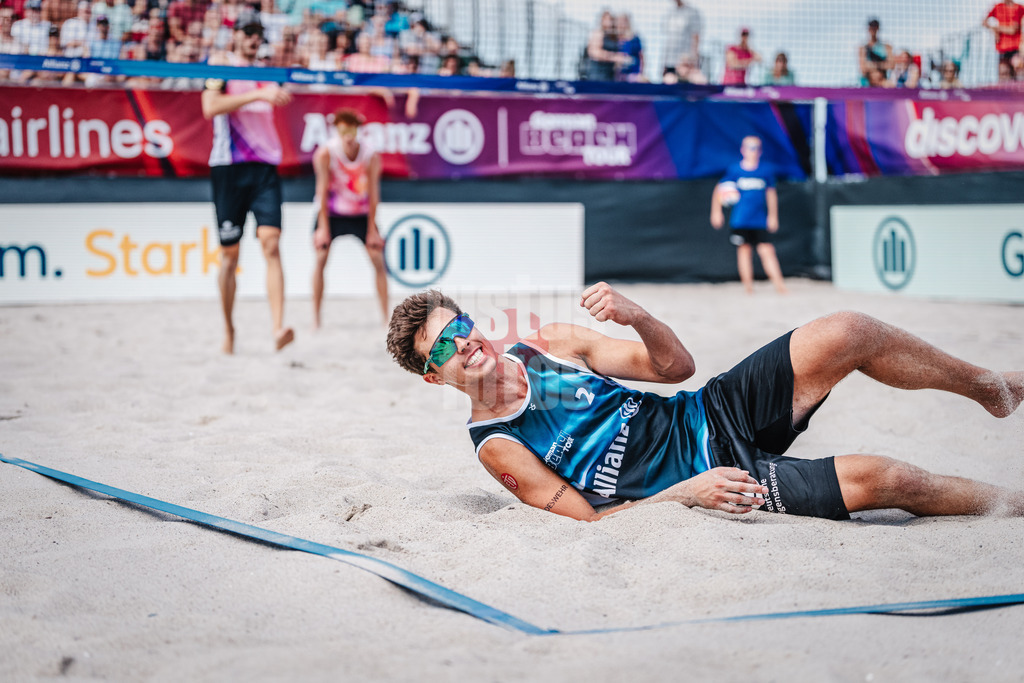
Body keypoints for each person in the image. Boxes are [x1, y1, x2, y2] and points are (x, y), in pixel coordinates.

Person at [385, 284, 1024, 522]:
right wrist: (685, 496)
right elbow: (592, 521)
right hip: (711, 479)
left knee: (848, 330)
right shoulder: (497, 445)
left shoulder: (550, 343)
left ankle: (991, 390)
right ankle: (1011, 504)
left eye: (458, 325)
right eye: (440, 347)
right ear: (434, 378)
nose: (461, 342)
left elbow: (676, 368)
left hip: (708, 412)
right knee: (889, 480)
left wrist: (638, 316)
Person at [201, 11, 295, 354]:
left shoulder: (268, 72)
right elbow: (210, 107)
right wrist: (260, 95)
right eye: (248, 32)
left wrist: (273, 90)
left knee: (271, 244)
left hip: (265, 168)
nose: (254, 38)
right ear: (235, 35)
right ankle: (229, 330)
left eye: (258, 33)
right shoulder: (220, 64)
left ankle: (278, 328)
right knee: (229, 256)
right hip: (229, 167)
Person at [311, 107, 389, 328]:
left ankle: (386, 319)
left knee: (377, 259)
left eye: (351, 130)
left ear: (358, 130)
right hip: (332, 213)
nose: (347, 136)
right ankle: (316, 320)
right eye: (343, 130)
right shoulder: (326, 153)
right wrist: (323, 228)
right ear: (336, 130)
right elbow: (321, 192)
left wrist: (372, 229)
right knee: (320, 258)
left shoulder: (370, 155)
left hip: (360, 214)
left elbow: (374, 194)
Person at [710, 135, 787, 295]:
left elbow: (771, 194)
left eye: (756, 147)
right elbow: (719, 189)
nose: (753, 151)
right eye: (750, 147)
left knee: (767, 251)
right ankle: (748, 289)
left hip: (759, 220)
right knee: (744, 252)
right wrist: (716, 212)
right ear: (742, 150)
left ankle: (780, 287)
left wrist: (773, 216)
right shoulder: (735, 170)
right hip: (740, 220)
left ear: (760, 151)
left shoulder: (765, 170)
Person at [662, 0, 701, 83]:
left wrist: (694, 61)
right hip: (671, 62)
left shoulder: (692, 12)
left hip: (686, 62)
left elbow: (696, 37)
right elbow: (669, 40)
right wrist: (664, 63)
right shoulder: (670, 13)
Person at [984, 0, 1024, 79]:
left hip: (1016, 48)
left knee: (1018, 69)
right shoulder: (997, 7)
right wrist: (994, 29)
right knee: (1004, 73)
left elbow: (1012, 30)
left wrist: (998, 29)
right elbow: (984, 22)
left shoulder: (1019, 8)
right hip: (1002, 49)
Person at [858, 17, 891, 86]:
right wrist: (883, 65)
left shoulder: (887, 47)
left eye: (875, 27)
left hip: (882, 82)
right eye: (871, 27)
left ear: (878, 28)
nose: (873, 29)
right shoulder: (863, 48)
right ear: (868, 29)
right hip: (867, 83)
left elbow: (891, 65)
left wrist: (872, 65)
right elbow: (863, 68)